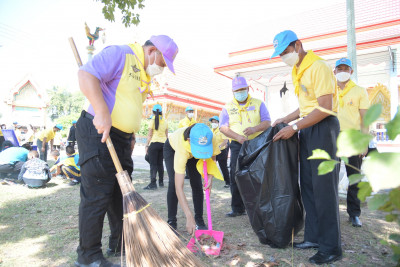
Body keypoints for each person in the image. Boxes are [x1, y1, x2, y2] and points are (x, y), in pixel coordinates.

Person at [74, 35, 178, 266]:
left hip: (121, 139)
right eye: (162, 63)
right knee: (97, 194)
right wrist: (101, 111)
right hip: (98, 130)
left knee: (119, 195)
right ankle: (88, 256)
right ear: (152, 51)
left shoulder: (143, 74)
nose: (162, 69)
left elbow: (128, 102)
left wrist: (130, 136)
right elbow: (86, 74)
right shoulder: (121, 54)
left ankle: (119, 242)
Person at [271, 30, 341, 264]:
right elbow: (304, 107)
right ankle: (313, 237)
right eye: (280, 54)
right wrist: (286, 119)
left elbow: (324, 107)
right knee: (308, 185)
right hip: (308, 127)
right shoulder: (296, 70)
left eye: (285, 51)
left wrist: (294, 127)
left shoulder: (318, 66)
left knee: (324, 188)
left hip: (323, 127)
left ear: (298, 45)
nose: (284, 57)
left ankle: (331, 247)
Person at [219, 76, 271, 217]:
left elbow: (267, 122)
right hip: (237, 144)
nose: (240, 92)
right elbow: (222, 127)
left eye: (242, 89)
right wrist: (237, 137)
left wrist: (254, 129)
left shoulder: (259, 103)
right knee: (235, 174)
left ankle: (259, 206)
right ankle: (237, 208)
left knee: (257, 174)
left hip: (257, 143)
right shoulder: (227, 107)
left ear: (248, 89)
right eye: (237, 90)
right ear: (232, 91)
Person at [164, 123, 222, 234]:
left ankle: (199, 220)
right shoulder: (182, 148)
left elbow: (213, 159)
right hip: (172, 148)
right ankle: (172, 221)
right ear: (190, 140)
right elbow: (179, 187)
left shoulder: (210, 137)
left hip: (195, 152)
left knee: (197, 183)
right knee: (173, 183)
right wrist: (189, 216)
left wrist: (209, 177)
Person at [334, 58, 369, 228]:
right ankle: (331, 212)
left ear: (351, 72)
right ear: (334, 72)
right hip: (332, 138)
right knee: (330, 177)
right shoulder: (329, 90)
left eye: (345, 69)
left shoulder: (359, 91)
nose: (342, 71)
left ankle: (354, 214)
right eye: (339, 68)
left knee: (354, 177)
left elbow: (365, 118)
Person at [144, 104, 168, 190]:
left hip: (154, 144)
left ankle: (153, 183)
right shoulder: (165, 121)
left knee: (153, 164)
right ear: (161, 112)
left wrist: (146, 145)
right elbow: (166, 135)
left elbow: (150, 135)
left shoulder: (152, 121)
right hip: (163, 144)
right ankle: (161, 182)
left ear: (153, 112)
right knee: (160, 164)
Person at [209, 116, 230, 188]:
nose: (213, 123)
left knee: (223, 167)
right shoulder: (211, 130)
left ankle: (228, 182)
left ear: (218, 123)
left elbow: (225, 141)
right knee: (211, 165)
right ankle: (209, 180)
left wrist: (219, 147)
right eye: (212, 122)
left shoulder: (221, 130)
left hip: (221, 151)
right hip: (213, 151)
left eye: (215, 122)